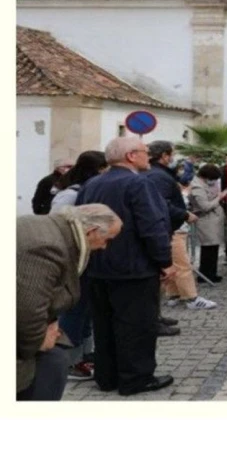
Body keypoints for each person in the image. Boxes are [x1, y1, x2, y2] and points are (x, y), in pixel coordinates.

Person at [75, 136, 175, 396]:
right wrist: (164, 261)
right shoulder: (138, 184)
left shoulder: (91, 184)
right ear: (131, 156)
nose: (148, 157)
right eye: (144, 152)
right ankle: (136, 378)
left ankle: (107, 376)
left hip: (97, 266)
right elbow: (151, 226)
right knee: (137, 326)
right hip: (134, 268)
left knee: (104, 324)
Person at [17, 205, 122, 400]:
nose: (105, 247)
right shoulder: (48, 246)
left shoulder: (53, 229)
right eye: (107, 240)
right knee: (52, 362)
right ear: (91, 231)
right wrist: (40, 340)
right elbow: (27, 310)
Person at [51, 150, 109, 379]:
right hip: (73, 259)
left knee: (85, 310)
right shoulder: (69, 195)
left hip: (86, 257)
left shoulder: (88, 189)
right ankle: (70, 361)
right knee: (74, 311)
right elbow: (57, 224)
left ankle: (85, 355)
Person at [146, 141, 216, 311]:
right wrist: (184, 214)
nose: (173, 158)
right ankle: (191, 297)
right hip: (171, 226)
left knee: (173, 261)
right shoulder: (158, 175)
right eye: (172, 154)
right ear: (164, 156)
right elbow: (162, 202)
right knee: (181, 262)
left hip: (169, 224)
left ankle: (174, 293)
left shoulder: (158, 173)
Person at [189, 164, 227, 283]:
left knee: (213, 248)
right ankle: (206, 274)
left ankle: (211, 273)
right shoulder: (198, 187)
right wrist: (220, 197)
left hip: (212, 221)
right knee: (208, 249)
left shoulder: (204, 184)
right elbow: (205, 206)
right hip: (207, 221)